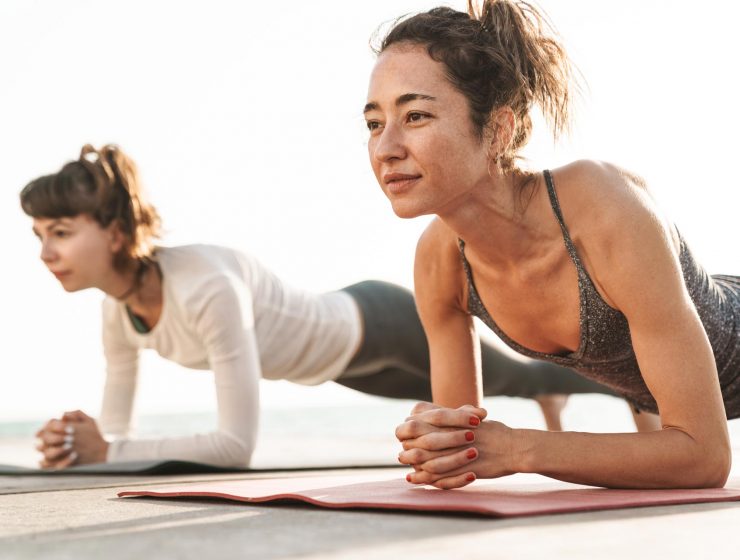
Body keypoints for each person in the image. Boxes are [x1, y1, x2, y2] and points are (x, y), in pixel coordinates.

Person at [22, 144, 627, 469]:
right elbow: (117, 438)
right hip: (337, 367)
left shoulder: (204, 284)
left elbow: (236, 447)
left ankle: (629, 386)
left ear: (118, 233)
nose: (46, 251)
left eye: (61, 231)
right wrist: (79, 446)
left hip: (374, 324)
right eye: (39, 234)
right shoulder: (117, 310)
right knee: (487, 393)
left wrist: (110, 450)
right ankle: (548, 394)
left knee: (514, 373)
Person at [364, 0, 739, 489]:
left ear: (500, 130)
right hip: (658, 398)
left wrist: (519, 448)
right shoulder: (440, 262)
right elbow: (460, 452)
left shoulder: (601, 207)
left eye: (415, 116)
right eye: (373, 123)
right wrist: (435, 441)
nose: (385, 148)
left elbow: (704, 456)